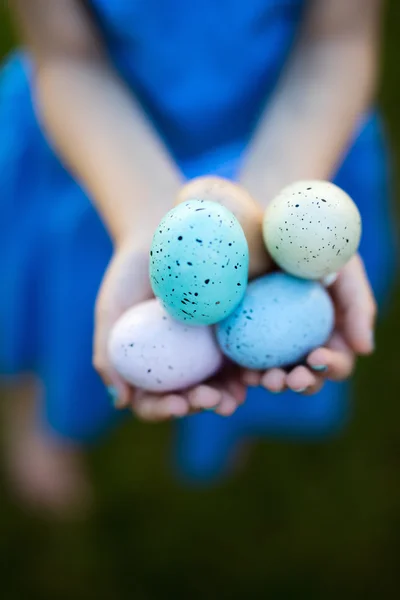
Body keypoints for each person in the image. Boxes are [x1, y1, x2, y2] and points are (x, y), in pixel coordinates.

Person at [0, 0, 396, 512]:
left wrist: (265, 218)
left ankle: (231, 415)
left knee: (252, 339)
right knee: (59, 305)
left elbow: (336, 40)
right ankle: (49, 414)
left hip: (285, 147)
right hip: (105, 158)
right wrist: (149, 222)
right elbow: (68, 58)